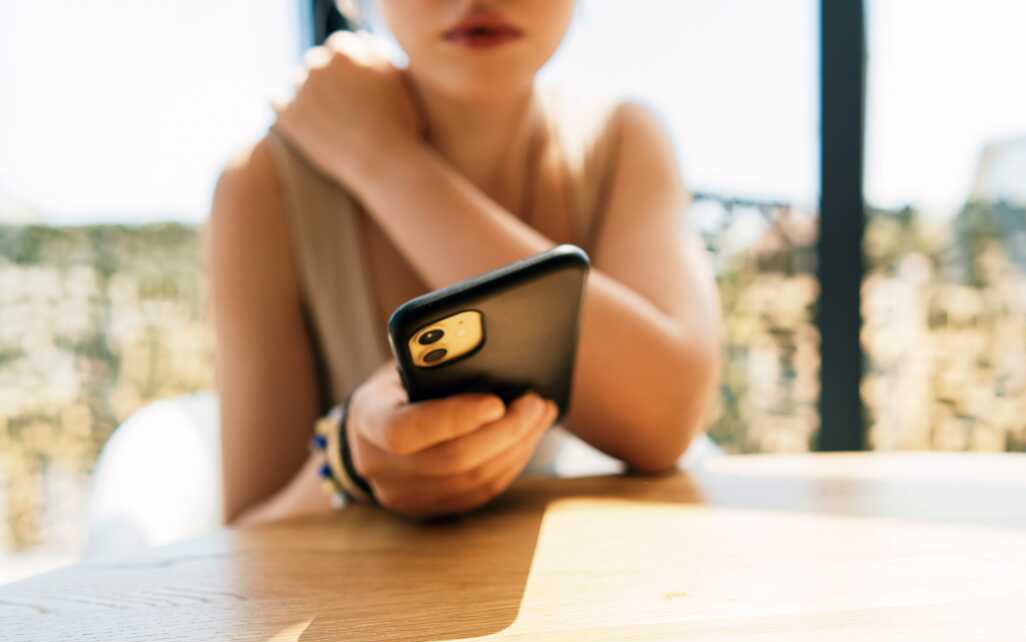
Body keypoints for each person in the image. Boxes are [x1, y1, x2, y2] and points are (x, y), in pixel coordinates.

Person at [206, 0, 721, 526]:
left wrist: (382, 160)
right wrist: (350, 460)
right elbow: (247, 533)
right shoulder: (267, 185)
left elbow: (666, 419)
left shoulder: (620, 138)